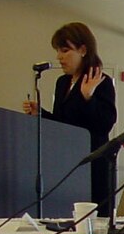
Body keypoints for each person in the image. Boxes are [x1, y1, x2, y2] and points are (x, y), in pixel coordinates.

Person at [22, 21, 117, 208]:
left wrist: (88, 97)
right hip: (66, 161)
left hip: (92, 165)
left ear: (83, 50)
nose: (59, 57)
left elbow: (105, 124)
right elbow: (62, 123)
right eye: (58, 51)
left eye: (65, 51)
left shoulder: (101, 81)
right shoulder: (62, 82)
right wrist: (40, 113)